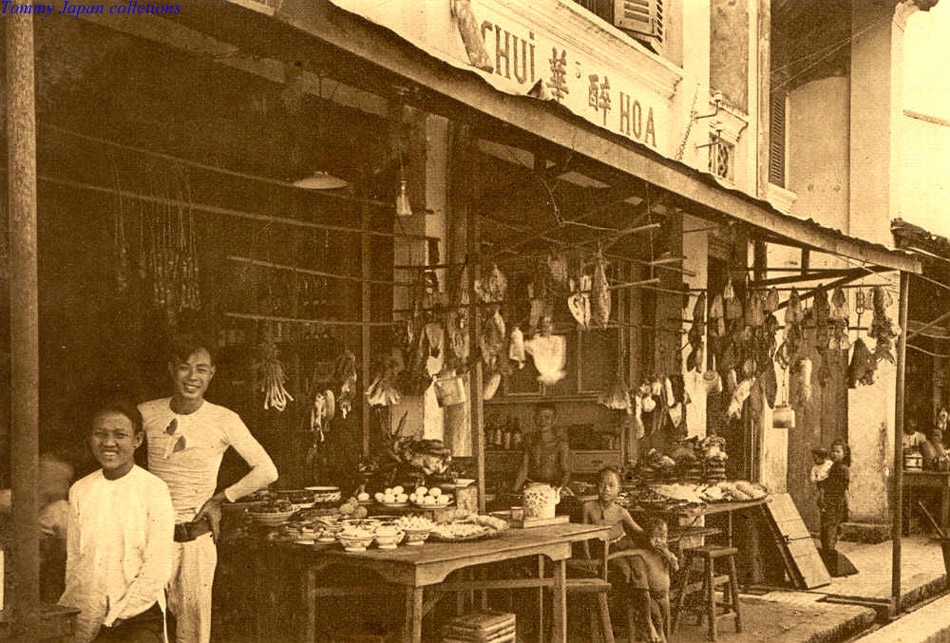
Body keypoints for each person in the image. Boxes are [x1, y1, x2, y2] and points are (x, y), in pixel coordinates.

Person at [140, 334, 278, 643]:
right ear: (171, 369)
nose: (192, 377)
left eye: (201, 369)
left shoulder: (224, 419)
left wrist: (220, 499)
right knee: (148, 627)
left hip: (195, 539)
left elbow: (267, 470)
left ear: (212, 373)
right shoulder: (146, 413)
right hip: (150, 538)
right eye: (184, 367)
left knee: (192, 633)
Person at [59, 397, 175, 643]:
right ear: (90, 439)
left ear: (138, 440)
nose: (108, 443)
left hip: (137, 615)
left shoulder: (153, 489)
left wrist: (120, 615)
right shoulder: (81, 490)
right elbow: (76, 561)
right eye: (100, 434)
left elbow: (158, 566)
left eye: (120, 435)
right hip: (91, 610)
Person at [512, 402, 571, 490]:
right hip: (532, 487)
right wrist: (514, 490)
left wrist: (559, 490)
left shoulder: (561, 444)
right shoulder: (529, 440)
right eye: (538, 417)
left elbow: (566, 472)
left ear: (554, 421)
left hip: (552, 487)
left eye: (547, 417)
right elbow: (524, 469)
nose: (542, 421)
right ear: (534, 419)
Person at [819, 439, 854, 577]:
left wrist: (827, 494)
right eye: (832, 451)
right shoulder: (831, 467)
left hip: (835, 502)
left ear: (844, 454)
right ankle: (828, 554)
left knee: (831, 528)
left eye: (838, 451)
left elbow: (841, 487)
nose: (834, 454)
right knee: (825, 527)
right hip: (829, 500)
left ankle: (830, 556)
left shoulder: (843, 469)